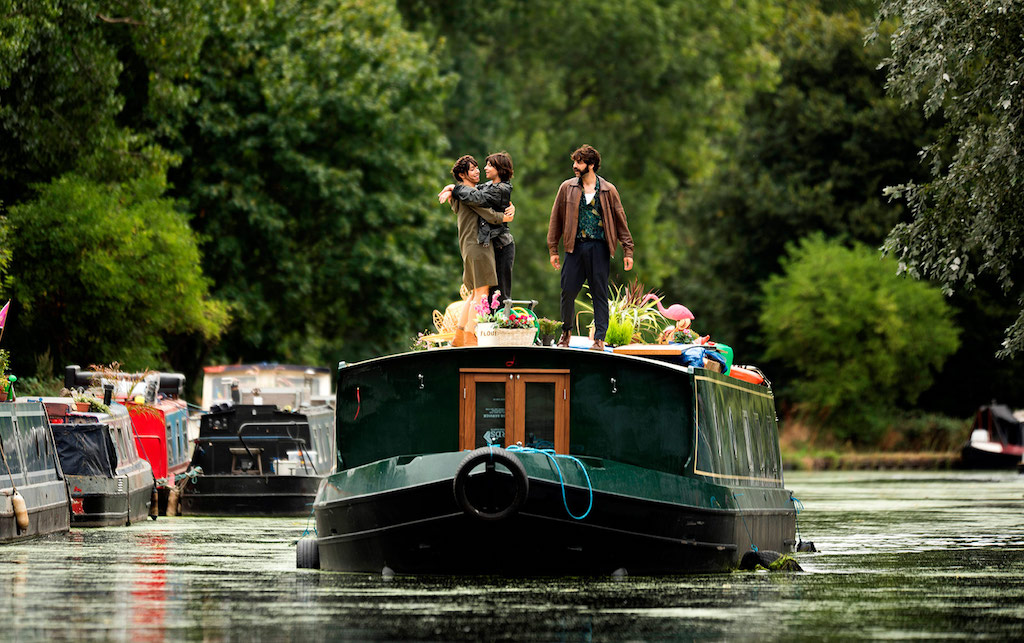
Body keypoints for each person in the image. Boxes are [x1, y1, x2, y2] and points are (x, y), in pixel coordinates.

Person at [547, 144, 634, 351]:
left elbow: (621, 220)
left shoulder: (608, 190)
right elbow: (555, 219)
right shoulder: (566, 187)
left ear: (591, 165)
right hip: (574, 248)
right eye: (575, 162)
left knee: (599, 293)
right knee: (568, 291)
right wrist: (553, 249)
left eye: (579, 162)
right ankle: (565, 334)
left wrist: (627, 250)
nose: (575, 166)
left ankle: (599, 339)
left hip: (599, 248)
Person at [443, 155, 514, 346]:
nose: (478, 171)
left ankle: (459, 337)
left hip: (468, 245)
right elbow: (488, 215)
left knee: (474, 294)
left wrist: (452, 188)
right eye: (473, 169)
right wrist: (504, 217)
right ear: (461, 174)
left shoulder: (465, 192)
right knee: (482, 293)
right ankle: (471, 337)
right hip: (478, 245)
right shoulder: (468, 193)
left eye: (477, 168)